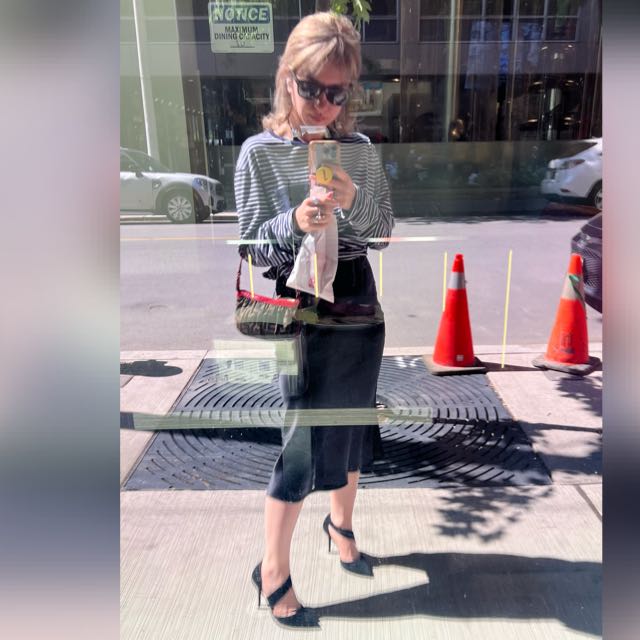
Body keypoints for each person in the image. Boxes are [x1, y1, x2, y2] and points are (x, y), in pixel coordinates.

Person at [235, 12, 394, 629]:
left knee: (352, 424)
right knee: (300, 438)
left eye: (338, 92)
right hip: (294, 303)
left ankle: (341, 526)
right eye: (311, 88)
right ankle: (272, 568)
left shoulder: (360, 152)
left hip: (355, 296)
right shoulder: (258, 153)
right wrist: (293, 222)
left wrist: (352, 200)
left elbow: (382, 234)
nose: (325, 104)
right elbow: (253, 248)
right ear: (287, 78)